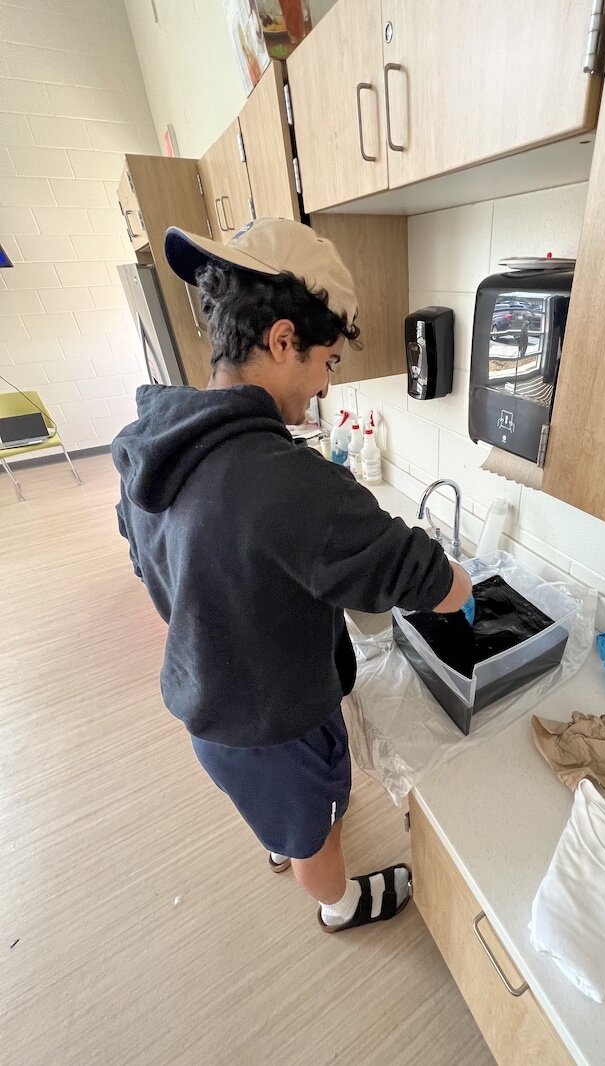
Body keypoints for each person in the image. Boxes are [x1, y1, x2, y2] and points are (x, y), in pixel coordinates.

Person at [111, 217, 472, 932]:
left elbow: (145, 555)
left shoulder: (149, 440)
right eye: (327, 362)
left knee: (278, 809)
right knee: (315, 825)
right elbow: (433, 580)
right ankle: (337, 904)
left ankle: (285, 839)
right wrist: (463, 585)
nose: (323, 387)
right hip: (275, 722)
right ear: (282, 341)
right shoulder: (288, 482)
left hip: (205, 697)